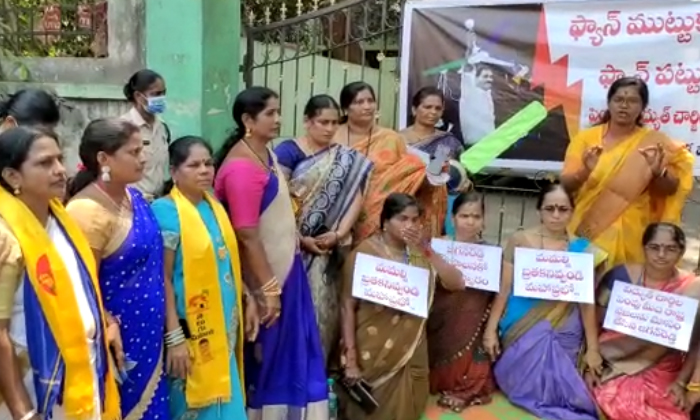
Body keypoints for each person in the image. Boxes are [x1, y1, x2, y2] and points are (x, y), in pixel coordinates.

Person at [213, 86, 329, 419]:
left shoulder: (265, 154)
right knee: (269, 354)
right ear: (248, 120)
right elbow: (247, 234)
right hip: (266, 277)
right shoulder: (242, 168)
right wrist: (267, 290)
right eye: (270, 114)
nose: (278, 119)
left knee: (292, 350)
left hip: (287, 270)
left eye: (278, 112)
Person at [0, 126, 120, 420]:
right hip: (35, 386)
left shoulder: (60, 219)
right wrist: (23, 412)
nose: (59, 170)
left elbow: (77, 289)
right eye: (44, 163)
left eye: (59, 159)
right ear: (12, 176)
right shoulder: (7, 237)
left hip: (82, 372)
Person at [65, 119, 169, 419]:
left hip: (150, 333)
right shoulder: (85, 211)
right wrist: (107, 324)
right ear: (103, 159)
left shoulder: (134, 197)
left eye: (143, 149)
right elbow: (81, 286)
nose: (144, 158)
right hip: (118, 338)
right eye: (134, 152)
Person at [151, 136, 260, 420]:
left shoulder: (214, 207)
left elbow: (224, 262)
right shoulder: (165, 212)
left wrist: (246, 297)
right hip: (191, 330)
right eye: (194, 165)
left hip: (224, 326)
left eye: (208, 164)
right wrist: (174, 338)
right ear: (174, 172)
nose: (204, 170)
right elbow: (162, 278)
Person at [482, 182, 607, 420]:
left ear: (572, 211)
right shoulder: (519, 240)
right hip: (522, 323)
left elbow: (586, 302)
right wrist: (490, 330)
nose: (556, 215)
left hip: (565, 325)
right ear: (539, 210)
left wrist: (593, 349)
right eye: (550, 209)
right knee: (517, 382)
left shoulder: (582, 250)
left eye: (563, 209)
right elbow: (504, 288)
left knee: (564, 391)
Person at [339, 193, 464, 420]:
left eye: (415, 220)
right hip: (372, 351)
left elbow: (457, 283)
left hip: (411, 349)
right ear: (385, 222)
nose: (411, 225)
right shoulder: (365, 253)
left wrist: (426, 249)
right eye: (403, 219)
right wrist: (351, 358)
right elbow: (347, 306)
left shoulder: (422, 253)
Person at [274, 94, 373, 360]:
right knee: (293, 311)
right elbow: (278, 199)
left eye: (334, 123)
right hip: (293, 246)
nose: (329, 128)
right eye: (323, 122)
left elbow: (357, 197)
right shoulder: (288, 151)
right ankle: (294, 368)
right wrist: (299, 238)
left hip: (332, 246)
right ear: (307, 121)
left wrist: (339, 233)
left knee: (329, 308)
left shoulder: (346, 158)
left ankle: (322, 369)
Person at [562, 77, 694, 268]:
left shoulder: (654, 143)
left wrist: (659, 172)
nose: (624, 106)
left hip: (632, 234)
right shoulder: (586, 139)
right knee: (580, 288)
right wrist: (585, 171)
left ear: (642, 107)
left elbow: (670, 190)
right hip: (587, 228)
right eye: (618, 100)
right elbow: (566, 185)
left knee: (622, 291)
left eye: (632, 101)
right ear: (609, 103)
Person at [592, 223, 700, 420]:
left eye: (670, 249)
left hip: (664, 369)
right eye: (654, 247)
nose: (661, 254)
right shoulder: (620, 276)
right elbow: (594, 323)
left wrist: (682, 382)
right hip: (615, 362)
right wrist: (590, 361)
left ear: (682, 252)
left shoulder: (693, 289)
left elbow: (695, 345)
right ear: (643, 248)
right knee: (612, 403)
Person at [333, 81, 447, 242]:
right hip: (334, 210)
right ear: (346, 108)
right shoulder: (331, 135)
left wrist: (433, 172)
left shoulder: (391, 138)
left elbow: (409, 175)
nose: (367, 106)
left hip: (376, 216)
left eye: (370, 101)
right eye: (359, 102)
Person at [427, 192, 495, 412]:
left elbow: (499, 293)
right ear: (453, 218)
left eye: (476, 216)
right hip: (441, 318)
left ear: (484, 220)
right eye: (464, 215)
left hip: (473, 322)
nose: (470, 221)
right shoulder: (438, 248)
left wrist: (491, 329)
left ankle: (466, 385)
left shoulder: (490, 253)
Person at [399, 86, 470, 193]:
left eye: (438, 108)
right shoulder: (397, 139)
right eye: (428, 107)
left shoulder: (447, 142)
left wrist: (465, 184)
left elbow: (459, 176)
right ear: (414, 110)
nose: (433, 112)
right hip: (402, 201)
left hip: (436, 202)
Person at [121, 69, 171, 200]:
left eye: (164, 93)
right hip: (133, 202)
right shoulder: (123, 128)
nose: (161, 98)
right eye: (156, 94)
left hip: (158, 201)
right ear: (138, 96)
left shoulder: (162, 128)